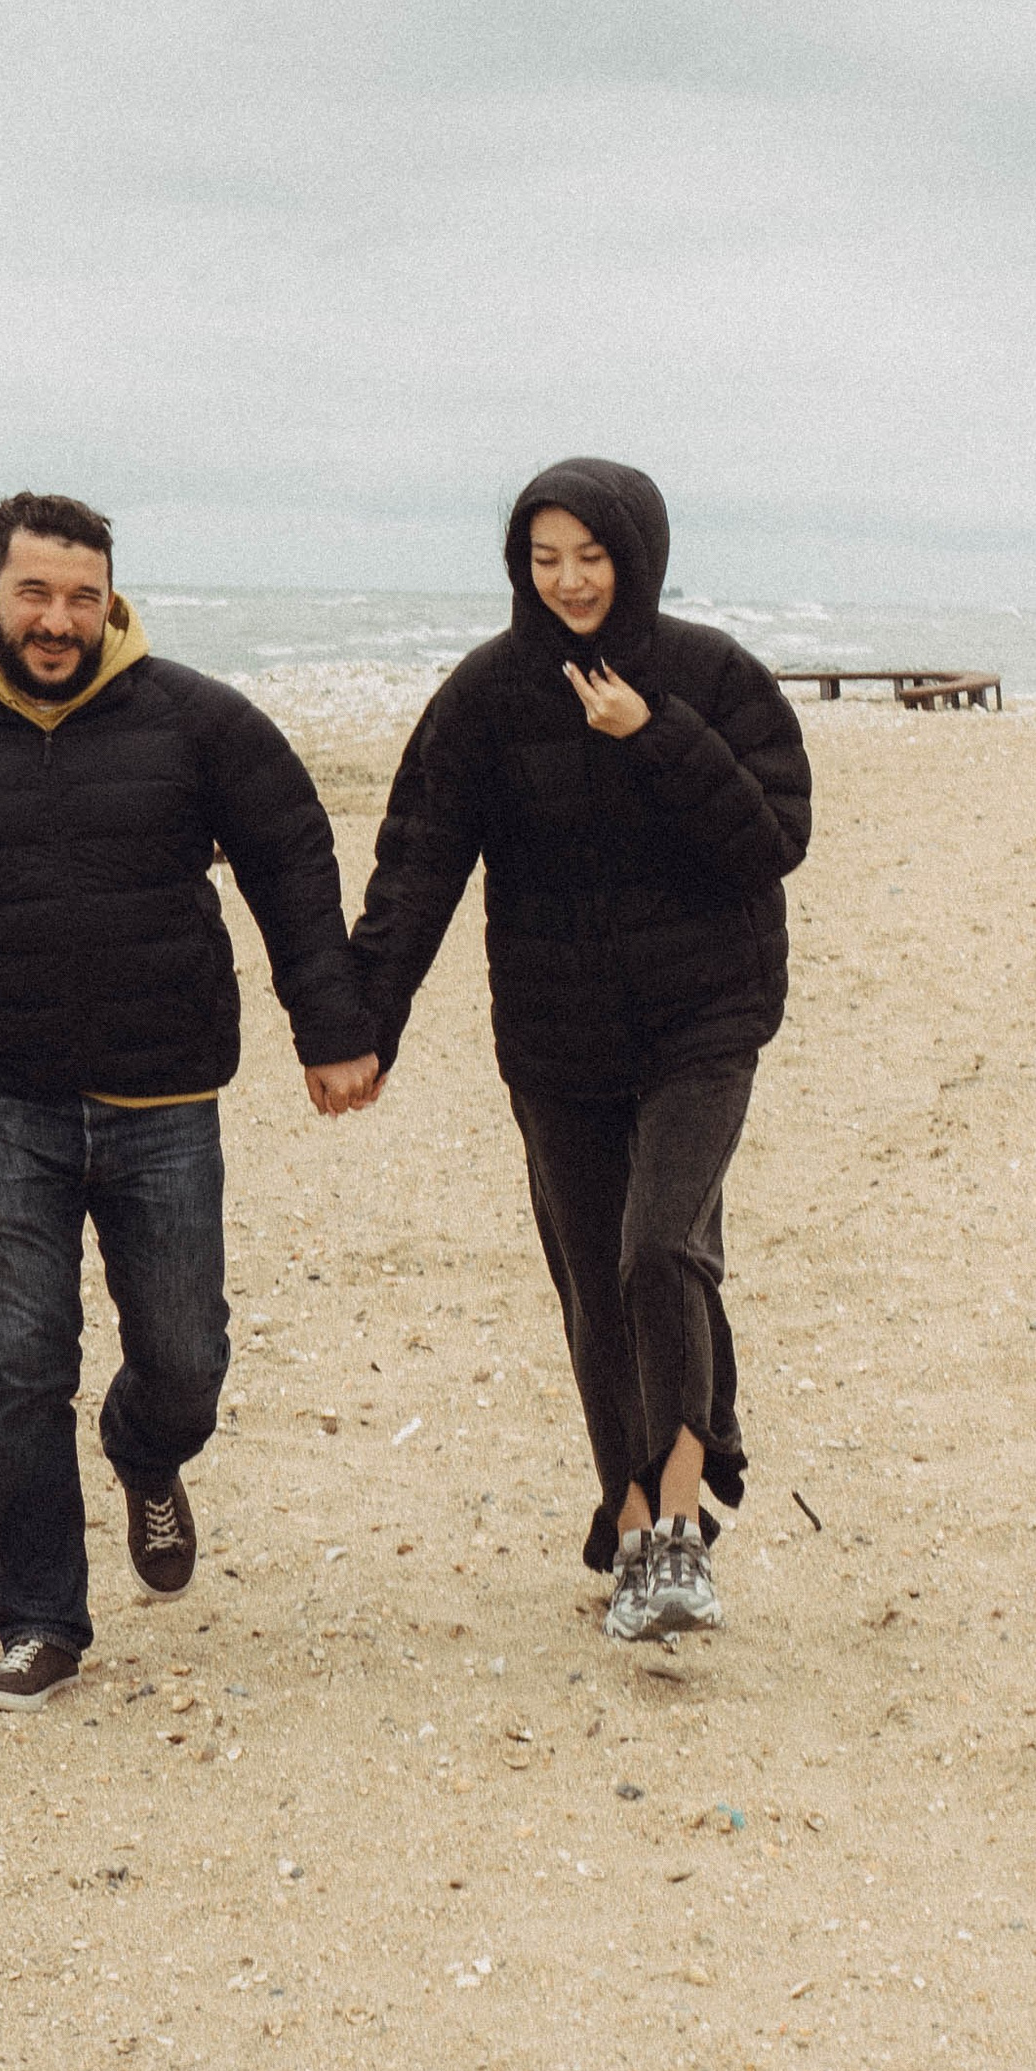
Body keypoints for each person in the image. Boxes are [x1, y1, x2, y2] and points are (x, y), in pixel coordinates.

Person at [0, 493, 378, 1710]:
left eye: (81, 598)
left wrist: (332, 1030)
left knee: (185, 1358)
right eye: (34, 594)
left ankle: (145, 1450)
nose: (56, 620)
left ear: (112, 602)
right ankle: (40, 1623)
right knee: (19, 1368)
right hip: (2, 1102)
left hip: (166, 1096)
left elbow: (293, 860)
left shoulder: (196, 721)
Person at [351, 459, 811, 1646]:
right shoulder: (487, 696)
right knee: (595, 1290)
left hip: (704, 1020)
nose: (568, 581)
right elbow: (417, 866)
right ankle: (634, 1525)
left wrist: (654, 734)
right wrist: (363, 1027)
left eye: (591, 558)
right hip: (556, 1036)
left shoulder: (712, 676)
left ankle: (679, 1519)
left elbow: (771, 840)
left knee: (660, 1247)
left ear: (635, 557)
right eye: (544, 559)